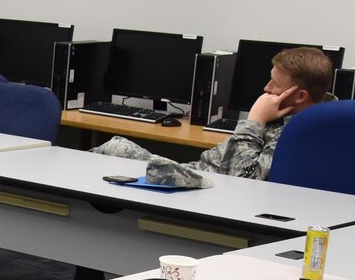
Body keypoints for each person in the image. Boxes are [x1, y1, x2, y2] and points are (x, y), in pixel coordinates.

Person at [93, 46, 336, 180]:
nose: (267, 88)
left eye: (275, 83)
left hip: (210, 185)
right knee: (111, 152)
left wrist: (254, 120)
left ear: (300, 95)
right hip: (200, 172)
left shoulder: (298, 133)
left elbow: (242, 181)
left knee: (116, 150)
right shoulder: (286, 115)